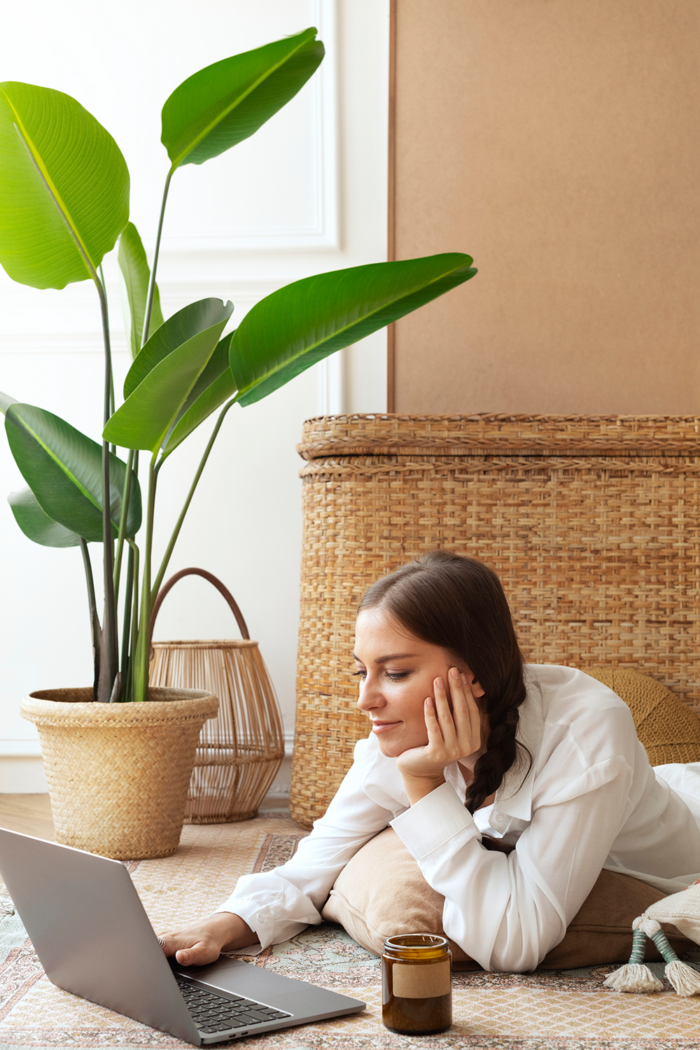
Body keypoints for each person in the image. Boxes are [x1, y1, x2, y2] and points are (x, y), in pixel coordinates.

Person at [161, 551, 700, 973]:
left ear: (476, 672)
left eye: (394, 673)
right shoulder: (395, 738)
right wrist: (220, 927)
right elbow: (313, 864)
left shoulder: (583, 736)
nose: (365, 699)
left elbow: (515, 945)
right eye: (361, 672)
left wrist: (422, 786)